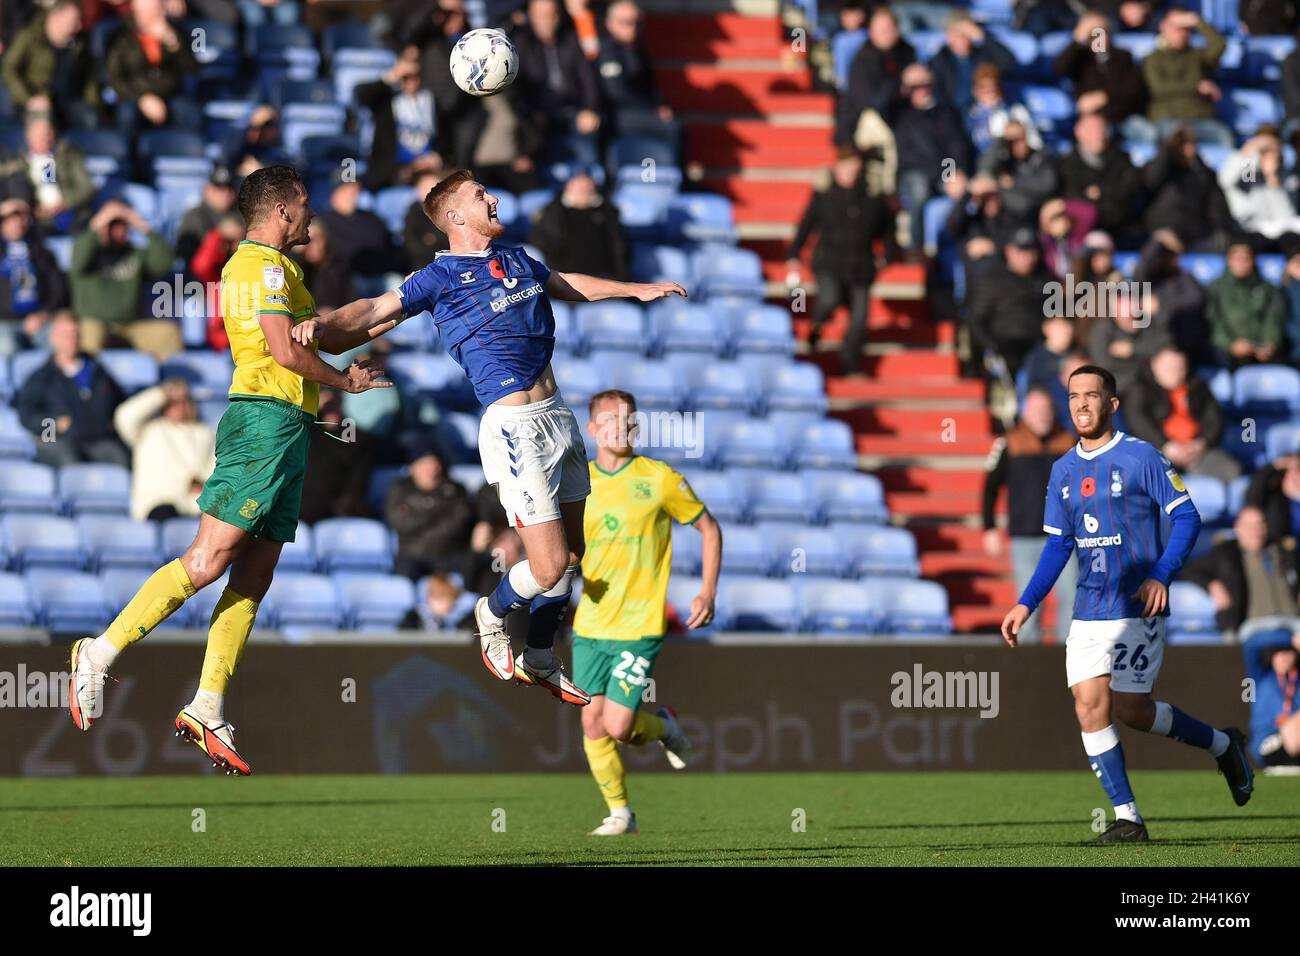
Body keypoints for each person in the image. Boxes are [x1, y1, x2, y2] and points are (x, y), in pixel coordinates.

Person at [296, 168, 686, 706]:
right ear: (455, 217)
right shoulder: (439, 278)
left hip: (558, 417)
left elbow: (566, 283)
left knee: (572, 557)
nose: (493, 198)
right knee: (546, 566)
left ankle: (542, 657)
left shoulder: (519, 259)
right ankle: (490, 611)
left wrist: (633, 289)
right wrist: (324, 323)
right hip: (513, 429)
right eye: (481, 195)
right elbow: (374, 311)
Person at [67, 165, 395, 775]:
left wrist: (407, 303)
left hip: (289, 428)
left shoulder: (284, 270)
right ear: (280, 212)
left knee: (255, 573)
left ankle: (207, 703)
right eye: (303, 204)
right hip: (263, 423)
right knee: (208, 560)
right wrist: (343, 380)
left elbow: (323, 331)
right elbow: (284, 349)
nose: (312, 213)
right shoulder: (259, 267)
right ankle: (100, 652)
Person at [1000, 364, 1254, 843]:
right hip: (1088, 607)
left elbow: (1187, 518)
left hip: (1137, 603)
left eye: (1091, 396)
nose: (1080, 404)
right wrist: (1026, 603)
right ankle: (1128, 819)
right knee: (1089, 705)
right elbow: (1058, 546)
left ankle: (1224, 745)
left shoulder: (1142, 458)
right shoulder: (1062, 470)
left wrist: (1162, 574)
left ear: (1111, 404)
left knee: (1133, 711)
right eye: (1073, 396)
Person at [576, 388, 719, 835]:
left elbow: (709, 529)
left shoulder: (658, 478)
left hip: (639, 623)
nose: (624, 427)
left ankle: (663, 727)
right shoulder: (578, 482)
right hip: (591, 621)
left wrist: (707, 591)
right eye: (613, 420)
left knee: (617, 726)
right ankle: (620, 812)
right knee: (590, 721)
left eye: (630, 419)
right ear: (594, 428)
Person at [982, 387, 1078, 645]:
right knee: (1028, 603)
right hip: (1024, 536)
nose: (1042, 416)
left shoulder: (1069, 443)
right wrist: (989, 527)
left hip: (1063, 538)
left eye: (1046, 410)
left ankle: (1068, 659)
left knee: (1071, 597)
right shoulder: (1010, 443)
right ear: (1025, 412)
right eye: (1036, 410)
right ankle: (1028, 660)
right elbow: (990, 487)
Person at [786, 146, 896, 368]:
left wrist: (886, 256)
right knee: (829, 298)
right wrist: (794, 253)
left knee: (859, 319)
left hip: (861, 265)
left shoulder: (873, 197)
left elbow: (888, 230)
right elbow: (807, 224)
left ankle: (850, 362)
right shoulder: (825, 194)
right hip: (829, 261)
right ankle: (816, 326)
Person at [16, 311, 129, 468]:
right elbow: (27, 414)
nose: (71, 340)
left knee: (121, 458)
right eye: (65, 335)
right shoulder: (42, 376)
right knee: (70, 461)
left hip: (98, 439)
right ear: (53, 338)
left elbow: (120, 400)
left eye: (75, 334)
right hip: (60, 440)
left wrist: (113, 420)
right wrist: (55, 424)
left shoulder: (97, 369)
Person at [1124, 345, 1240, 483]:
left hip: (1198, 452)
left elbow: (1214, 419)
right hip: (1156, 454)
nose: (1175, 372)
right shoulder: (1140, 389)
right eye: (1169, 368)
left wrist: (1201, 443)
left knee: (1232, 471)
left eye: (1180, 368)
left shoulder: (1198, 387)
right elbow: (1139, 423)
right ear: (1154, 366)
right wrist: (1165, 446)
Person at [510, 0, 603, 165]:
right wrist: (530, 114)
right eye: (541, 16)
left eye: (552, 15)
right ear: (530, 16)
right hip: (538, 116)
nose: (547, 21)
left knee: (588, 154)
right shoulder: (520, 43)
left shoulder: (571, 39)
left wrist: (590, 109)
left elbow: (588, 79)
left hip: (572, 112)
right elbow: (516, 89)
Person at [1182, 506, 1300, 636]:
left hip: (1293, 622)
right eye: (1250, 526)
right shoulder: (1226, 553)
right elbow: (1188, 570)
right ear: (1238, 527)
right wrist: (1213, 585)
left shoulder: (1283, 551)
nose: (1257, 531)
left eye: (1260, 524)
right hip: (1253, 626)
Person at [112, 379, 216, 521]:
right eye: (174, 403)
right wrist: (162, 393)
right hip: (157, 501)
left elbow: (214, 465)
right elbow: (125, 417)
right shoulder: (149, 429)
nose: (180, 407)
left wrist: (204, 483)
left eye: (184, 402)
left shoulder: (205, 433)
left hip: (194, 504)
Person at [892, 62, 970, 251]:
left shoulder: (946, 113)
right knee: (919, 191)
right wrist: (903, 82)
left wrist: (951, 173)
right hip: (913, 173)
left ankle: (961, 247)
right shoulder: (899, 114)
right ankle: (915, 248)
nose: (921, 91)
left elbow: (955, 146)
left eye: (925, 85)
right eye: (914, 86)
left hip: (942, 171)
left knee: (967, 192)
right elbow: (909, 157)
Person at [1136, 9, 1234, 147]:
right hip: (1168, 119)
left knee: (1224, 136)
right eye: (1176, 28)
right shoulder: (1152, 59)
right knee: (1170, 135)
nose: (1181, 34)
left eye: (1186, 29)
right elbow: (1159, 89)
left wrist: (1196, 21)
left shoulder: (1198, 56)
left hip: (1199, 119)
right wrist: (1196, 86)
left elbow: (1219, 45)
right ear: (1163, 27)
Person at [104, 0, 198, 139]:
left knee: (190, 113)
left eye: (156, 9)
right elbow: (114, 77)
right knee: (128, 115)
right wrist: (142, 98)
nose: (154, 15)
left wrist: (174, 44)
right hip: (133, 96)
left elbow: (192, 70)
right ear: (136, 11)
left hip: (169, 95)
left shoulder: (177, 32)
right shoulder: (120, 35)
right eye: (148, 10)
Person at [0, 0, 99, 130]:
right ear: (57, 18)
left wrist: (94, 104)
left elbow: (88, 78)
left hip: (67, 102)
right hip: (36, 98)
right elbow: (9, 68)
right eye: (74, 21)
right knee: (41, 122)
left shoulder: (80, 44)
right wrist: (29, 99)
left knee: (90, 119)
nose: (79, 26)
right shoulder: (30, 36)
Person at [0, 109, 95, 233]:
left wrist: (63, 204)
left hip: (71, 213)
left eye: (48, 133)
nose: (45, 138)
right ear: (28, 138)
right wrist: (33, 209)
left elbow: (86, 188)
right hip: (36, 218)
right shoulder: (21, 161)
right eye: (39, 135)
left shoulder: (69, 155)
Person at [385, 450, 476, 579]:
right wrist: (434, 510)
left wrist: (422, 512)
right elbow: (399, 522)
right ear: (413, 468)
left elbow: (459, 523)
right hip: (412, 555)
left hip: (448, 552)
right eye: (424, 466)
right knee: (402, 580)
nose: (430, 471)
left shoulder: (455, 490)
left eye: (433, 465)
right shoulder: (400, 489)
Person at [1142, 126, 1235, 252]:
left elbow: (1217, 207)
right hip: (1161, 234)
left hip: (1198, 237)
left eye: (1192, 144)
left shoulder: (1205, 174)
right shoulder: (1159, 170)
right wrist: (1166, 148)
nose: (1188, 150)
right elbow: (1149, 182)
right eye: (1181, 145)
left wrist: (1221, 230)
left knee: (1226, 243)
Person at [1053, 10, 1147, 127]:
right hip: (1090, 120)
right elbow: (1059, 70)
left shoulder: (1123, 56)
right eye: (1092, 33)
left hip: (1122, 117)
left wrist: (1104, 96)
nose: (1097, 37)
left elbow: (1134, 89)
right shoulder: (1079, 58)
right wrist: (1076, 40)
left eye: (1101, 32)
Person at [527, 171, 629, 280]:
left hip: (605, 277)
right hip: (564, 278)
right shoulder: (554, 213)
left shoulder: (608, 213)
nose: (583, 192)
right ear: (567, 189)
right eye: (578, 188)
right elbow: (541, 242)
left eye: (587, 188)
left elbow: (619, 247)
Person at [1061, 113, 1144, 243]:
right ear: (1079, 133)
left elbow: (1130, 190)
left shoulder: (1122, 159)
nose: (1099, 135)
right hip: (1087, 232)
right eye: (1093, 131)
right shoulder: (1067, 164)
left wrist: (1100, 192)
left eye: (1102, 130)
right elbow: (1075, 199)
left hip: (1122, 227)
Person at [316, 174, 403, 296]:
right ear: (335, 192)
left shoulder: (371, 218)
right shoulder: (322, 222)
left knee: (398, 284)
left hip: (379, 275)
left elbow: (389, 247)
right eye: (347, 189)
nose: (353, 194)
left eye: (355, 189)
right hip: (347, 279)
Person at [1206, 238, 1287, 368]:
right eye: (1236, 258)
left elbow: (1274, 318)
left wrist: (1270, 343)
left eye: (1245, 258)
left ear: (1253, 261)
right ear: (1228, 261)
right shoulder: (1215, 288)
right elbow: (1213, 321)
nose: (1241, 263)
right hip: (1227, 350)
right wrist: (1231, 344)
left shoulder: (1268, 288)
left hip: (1261, 350)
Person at [299, 388, 375, 524]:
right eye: (325, 405)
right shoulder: (307, 430)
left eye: (334, 402)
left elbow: (358, 480)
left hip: (339, 505)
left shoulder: (353, 433)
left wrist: (345, 504)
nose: (330, 408)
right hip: (304, 504)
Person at [928, 10, 1016, 114]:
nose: (962, 38)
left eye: (966, 33)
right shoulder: (939, 60)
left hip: (985, 113)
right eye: (957, 33)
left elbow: (1009, 63)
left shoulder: (983, 55)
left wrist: (983, 36)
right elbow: (937, 97)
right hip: (953, 116)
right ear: (948, 35)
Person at [1240, 628, 1300, 769]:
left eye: (1288, 652)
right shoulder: (1260, 678)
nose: (1283, 657)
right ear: (1272, 656)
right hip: (1266, 744)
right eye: (1278, 652)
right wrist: (1291, 639)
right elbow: (1251, 644)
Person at [175, 164, 238, 263]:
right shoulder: (194, 216)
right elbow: (185, 253)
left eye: (229, 189)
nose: (225, 194)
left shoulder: (241, 214)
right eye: (219, 189)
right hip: (201, 276)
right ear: (207, 190)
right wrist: (219, 235)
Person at [1245, 454, 1300, 543]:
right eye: (1293, 472)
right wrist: (1279, 464)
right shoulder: (1272, 497)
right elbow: (1256, 489)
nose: (1296, 476)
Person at [401, 573, 478, 631]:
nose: (443, 604)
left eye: (447, 599)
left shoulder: (463, 621)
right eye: (438, 599)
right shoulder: (413, 618)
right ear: (428, 599)